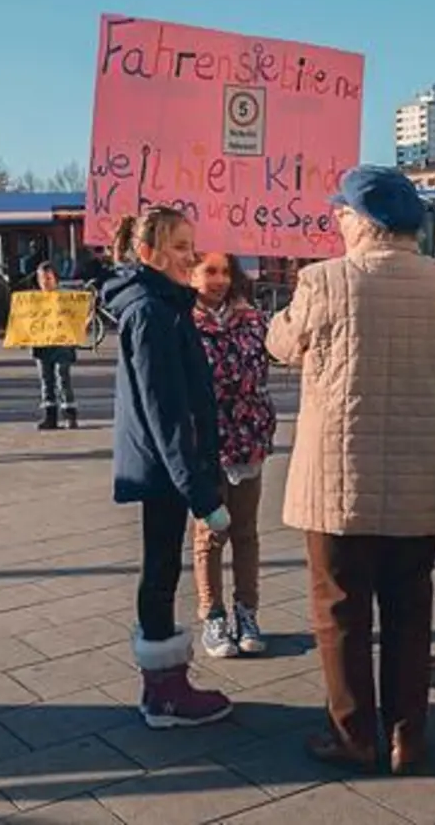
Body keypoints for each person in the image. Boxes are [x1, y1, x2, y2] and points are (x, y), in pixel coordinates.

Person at [266, 165, 435, 774]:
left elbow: (282, 343)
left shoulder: (321, 280)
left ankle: (353, 734)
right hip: (419, 474)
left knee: (340, 607)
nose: (336, 223)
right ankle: (410, 738)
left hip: (336, 481)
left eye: (340, 215)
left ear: (361, 222)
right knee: (410, 607)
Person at [101, 206, 234, 729]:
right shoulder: (152, 312)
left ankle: (163, 687)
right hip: (164, 467)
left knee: (161, 566)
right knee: (159, 570)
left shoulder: (161, 305)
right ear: (148, 253)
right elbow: (165, 411)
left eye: (190, 246)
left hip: (163, 465)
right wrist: (201, 492)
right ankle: (165, 693)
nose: (190, 256)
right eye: (179, 247)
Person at [187, 252, 277, 658]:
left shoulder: (253, 320)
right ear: (191, 275)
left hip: (248, 437)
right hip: (205, 443)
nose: (219, 280)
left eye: (225, 271)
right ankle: (213, 616)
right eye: (209, 271)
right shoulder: (183, 322)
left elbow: (261, 370)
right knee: (211, 531)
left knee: (245, 530)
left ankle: (247, 611)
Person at [31, 262, 80, 431]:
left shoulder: (66, 299)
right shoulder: (33, 301)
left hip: (62, 345)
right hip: (42, 345)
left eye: (48, 278)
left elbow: (77, 316)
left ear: (55, 279)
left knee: (62, 377)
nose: (45, 282)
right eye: (42, 278)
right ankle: (50, 416)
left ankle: (69, 415)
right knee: (46, 379)